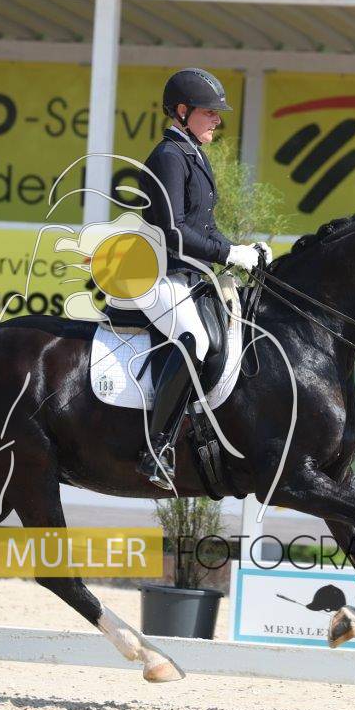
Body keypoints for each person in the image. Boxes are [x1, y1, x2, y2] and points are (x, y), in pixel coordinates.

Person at [134, 67, 272, 491]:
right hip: (157, 274)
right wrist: (228, 254)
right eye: (209, 112)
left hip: (188, 274)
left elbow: (205, 227)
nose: (216, 119)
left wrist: (242, 250)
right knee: (194, 340)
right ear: (182, 111)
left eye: (217, 113)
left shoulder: (193, 153)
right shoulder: (169, 156)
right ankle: (157, 448)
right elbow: (174, 231)